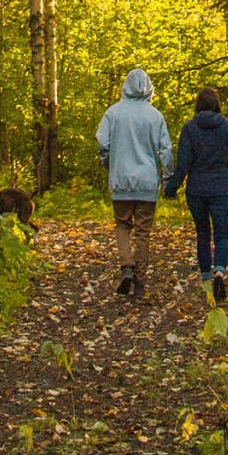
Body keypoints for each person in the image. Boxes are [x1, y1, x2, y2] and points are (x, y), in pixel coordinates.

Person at [95, 67, 172, 299]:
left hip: (121, 181)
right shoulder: (155, 115)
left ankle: (127, 265)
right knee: (143, 232)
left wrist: (108, 162)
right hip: (147, 183)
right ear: (149, 88)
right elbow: (165, 149)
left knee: (122, 225)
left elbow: (102, 143)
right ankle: (140, 282)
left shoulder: (113, 113)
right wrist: (168, 176)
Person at [163, 87, 228, 303]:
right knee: (222, 234)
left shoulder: (190, 128)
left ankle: (207, 279)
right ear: (217, 104)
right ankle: (219, 271)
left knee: (203, 233)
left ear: (198, 104)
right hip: (222, 189)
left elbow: (184, 163)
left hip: (197, 190)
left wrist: (172, 187)